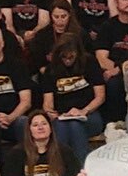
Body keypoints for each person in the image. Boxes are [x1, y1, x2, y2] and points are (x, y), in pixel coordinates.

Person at [40, 33, 106, 161]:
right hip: (62, 116)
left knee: (75, 124)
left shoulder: (90, 62)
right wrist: (50, 113)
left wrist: (83, 111)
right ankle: (61, 167)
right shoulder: (51, 70)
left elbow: (100, 96)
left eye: (71, 56)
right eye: (64, 57)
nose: (68, 60)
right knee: (65, 125)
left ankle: (79, 168)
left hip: (89, 114)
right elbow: (47, 103)